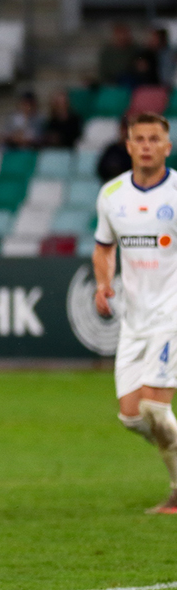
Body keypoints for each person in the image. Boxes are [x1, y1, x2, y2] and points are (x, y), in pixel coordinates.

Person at [93, 111, 177, 514]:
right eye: (139, 139)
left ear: (167, 146)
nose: (146, 146)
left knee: (155, 408)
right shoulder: (112, 195)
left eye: (153, 139)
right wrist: (104, 282)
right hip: (134, 317)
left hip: (171, 314)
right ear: (128, 146)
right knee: (132, 417)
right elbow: (104, 246)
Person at [97, 115, 134, 183]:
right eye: (124, 129)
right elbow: (101, 170)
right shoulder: (112, 149)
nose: (125, 132)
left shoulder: (136, 150)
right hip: (112, 183)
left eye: (128, 129)